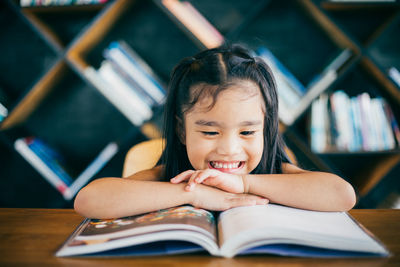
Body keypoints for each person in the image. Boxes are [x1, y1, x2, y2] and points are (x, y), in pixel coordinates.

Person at [74, 44, 356, 219]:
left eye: (247, 133)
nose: (230, 149)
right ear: (182, 131)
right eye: (210, 133)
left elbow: (342, 195)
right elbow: (89, 200)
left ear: (266, 130)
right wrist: (192, 194)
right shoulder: (167, 178)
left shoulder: (275, 172)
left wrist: (245, 185)